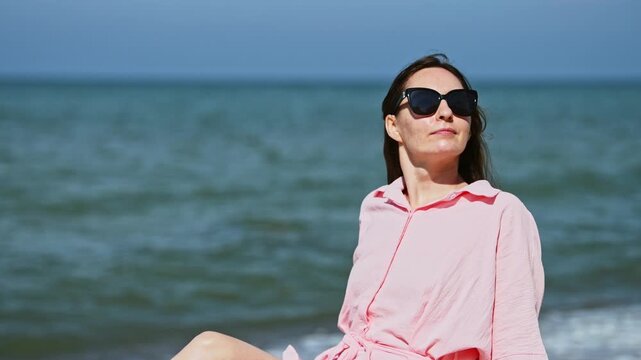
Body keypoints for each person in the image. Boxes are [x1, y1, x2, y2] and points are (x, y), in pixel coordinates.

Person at [172, 53, 548, 360]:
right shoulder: (376, 208)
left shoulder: (499, 214)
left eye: (460, 103)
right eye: (424, 102)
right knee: (210, 349)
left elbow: (519, 346)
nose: (445, 112)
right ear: (393, 126)